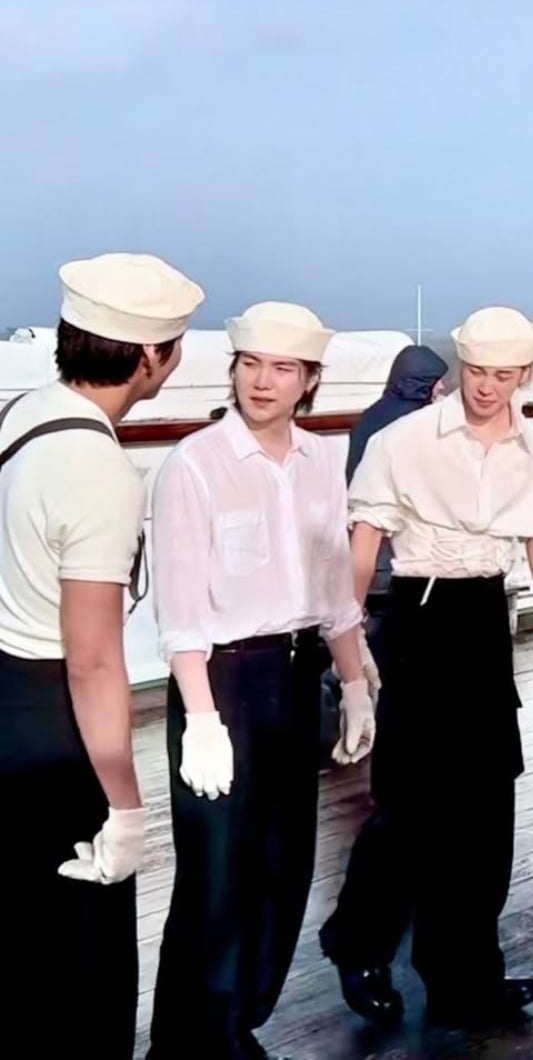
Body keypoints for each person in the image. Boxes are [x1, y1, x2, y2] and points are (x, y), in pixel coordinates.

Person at [318, 305, 533, 1028]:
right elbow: (364, 541)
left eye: (504, 375)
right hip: (420, 613)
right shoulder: (404, 440)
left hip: (486, 617)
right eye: (477, 372)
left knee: (486, 810)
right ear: (460, 367)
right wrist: (349, 641)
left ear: (524, 375)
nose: (488, 387)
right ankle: (358, 941)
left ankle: (463, 978)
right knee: (411, 804)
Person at [147, 302, 375, 1060]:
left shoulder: (322, 461)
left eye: (282, 368)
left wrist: (355, 684)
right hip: (223, 681)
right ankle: (193, 1041)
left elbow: (334, 589)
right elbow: (181, 610)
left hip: (298, 671)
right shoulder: (194, 464)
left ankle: (241, 1019)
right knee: (216, 871)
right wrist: (201, 719)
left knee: (284, 861)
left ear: (309, 379)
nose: (262, 381)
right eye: (250, 364)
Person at [0, 251, 203, 1060]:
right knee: (82, 965)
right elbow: (91, 660)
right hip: (52, 729)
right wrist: (125, 806)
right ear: (152, 356)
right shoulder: (99, 469)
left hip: (5, 694)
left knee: (20, 949)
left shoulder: (27, 412)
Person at [345, 343, 449, 483]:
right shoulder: (414, 422)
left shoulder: (370, 416)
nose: (442, 386)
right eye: (436, 381)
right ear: (420, 384)